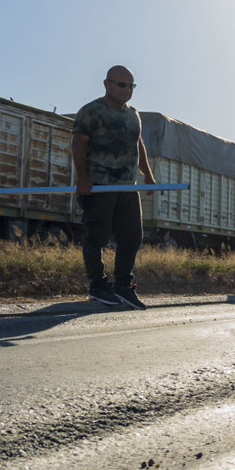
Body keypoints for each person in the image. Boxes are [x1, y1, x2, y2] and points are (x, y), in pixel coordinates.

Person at [71, 65, 155, 309]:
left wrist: (148, 175)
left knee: (132, 237)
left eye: (131, 86)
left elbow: (137, 144)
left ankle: (122, 285)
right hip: (100, 184)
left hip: (127, 187)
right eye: (121, 84)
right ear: (107, 84)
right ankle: (98, 284)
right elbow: (78, 143)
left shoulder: (134, 114)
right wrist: (83, 178)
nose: (127, 90)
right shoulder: (92, 110)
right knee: (96, 235)